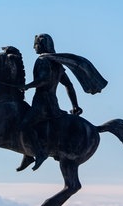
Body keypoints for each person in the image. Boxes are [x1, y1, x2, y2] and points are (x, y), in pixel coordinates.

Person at [17, 33, 83, 172]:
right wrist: (75, 105)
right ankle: (28, 156)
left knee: (24, 125)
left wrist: (28, 86)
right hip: (52, 102)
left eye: (35, 44)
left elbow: (44, 79)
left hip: (42, 103)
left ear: (41, 45)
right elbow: (69, 85)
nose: (34, 47)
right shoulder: (56, 62)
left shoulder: (42, 60)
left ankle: (39, 153)